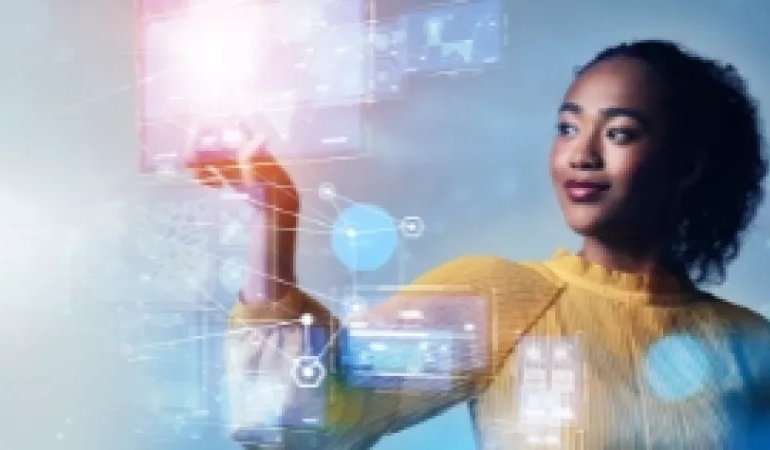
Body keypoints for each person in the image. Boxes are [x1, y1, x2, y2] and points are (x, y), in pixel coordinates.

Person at [189, 40, 770, 449]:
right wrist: (274, 211)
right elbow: (303, 412)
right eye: (568, 127)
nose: (580, 154)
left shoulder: (753, 345)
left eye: (618, 133)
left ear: (689, 166)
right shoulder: (500, 299)